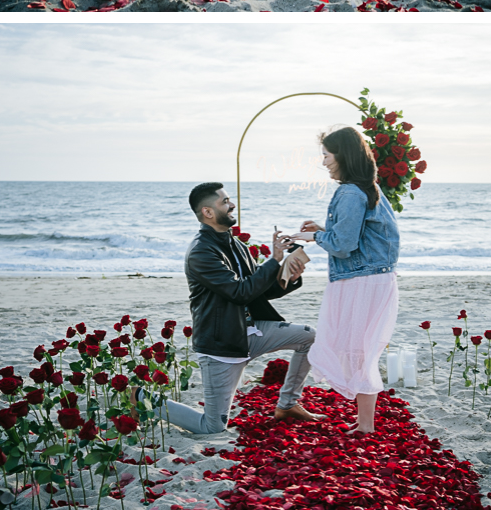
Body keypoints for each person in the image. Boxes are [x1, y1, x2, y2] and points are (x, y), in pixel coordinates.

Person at [132, 182, 325, 435]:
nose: (232, 204)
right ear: (208, 212)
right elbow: (238, 292)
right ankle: (141, 397)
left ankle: (287, 405)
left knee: (310, 337)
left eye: (229, 200)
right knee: (212, 427)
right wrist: (274, 259)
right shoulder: (201, 252)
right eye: (224, 202)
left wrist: (289, 274)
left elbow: (260, 290)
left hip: (252, 332)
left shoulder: (237, 246)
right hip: (222, 344)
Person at [285, 127, 400, 434]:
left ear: (342, 156)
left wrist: (313, 236)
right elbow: (357, 237)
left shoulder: (349, 192)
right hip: (370, 279)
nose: (323, 162)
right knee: (360, 349)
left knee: (358, 350)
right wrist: (324, 230)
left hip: (361, 282)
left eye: (326, 154)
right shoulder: (364, 188)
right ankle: (365, 423)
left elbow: (344, 245)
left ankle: (366, 426)